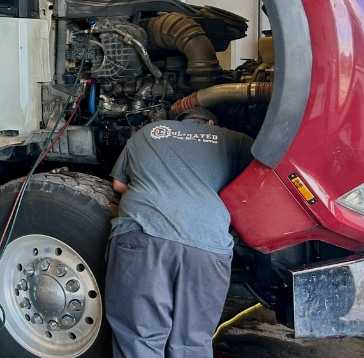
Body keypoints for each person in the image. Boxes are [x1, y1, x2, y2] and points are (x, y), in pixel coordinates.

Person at [105, 107, 255, 358]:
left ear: (178, 122)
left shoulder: (149, 132)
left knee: (140, 338)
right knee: (192, 342)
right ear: (209, 122)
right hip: (207, 243)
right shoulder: (232, 138)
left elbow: (119, 184)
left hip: (144, 234)